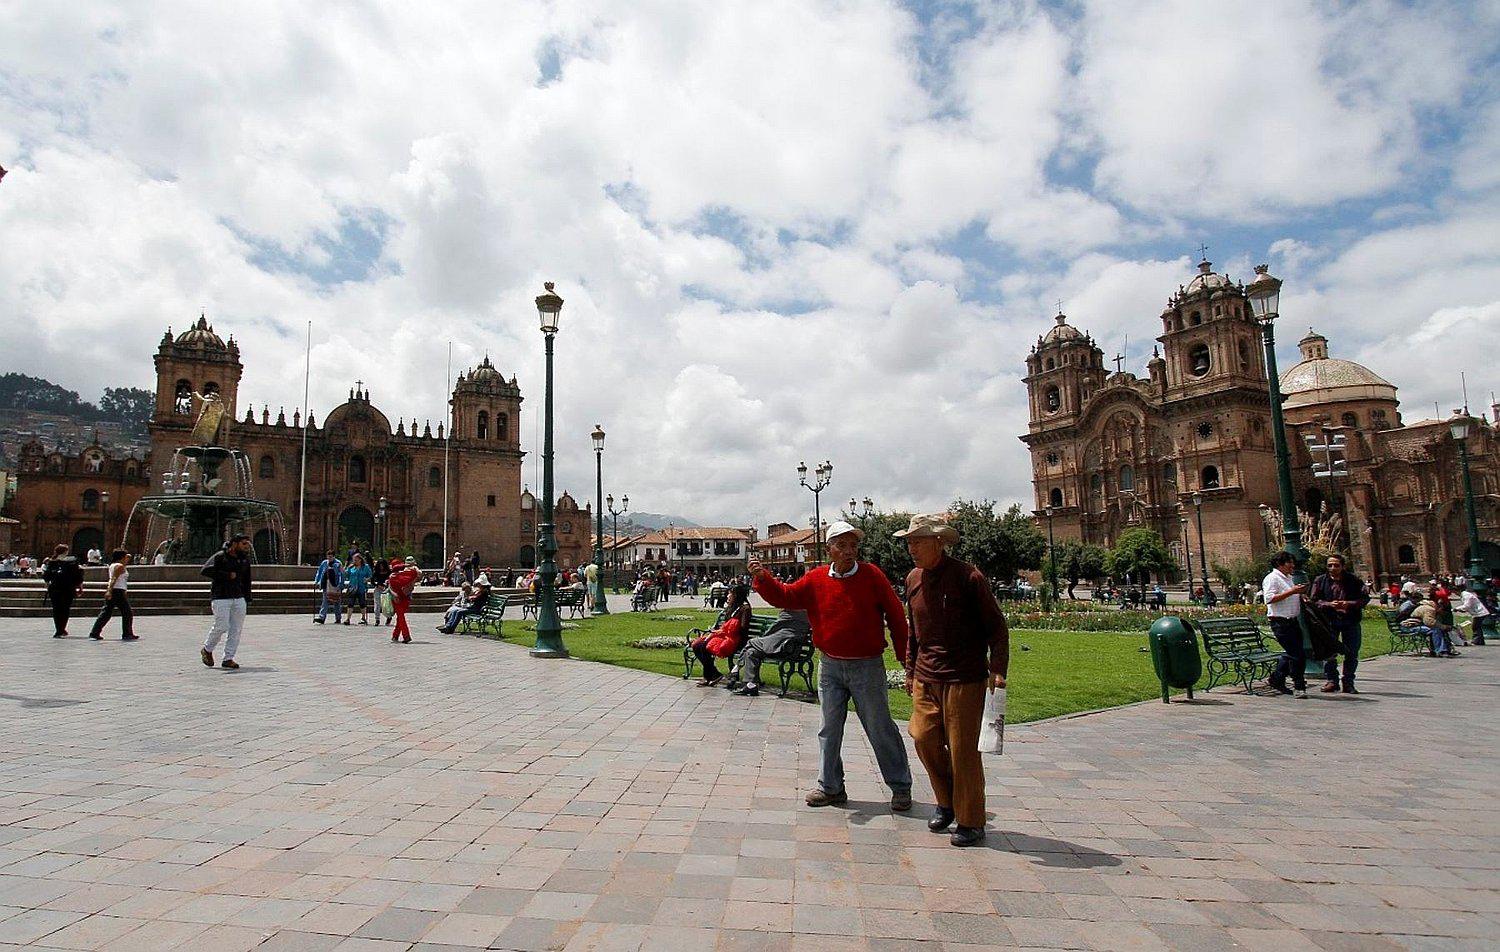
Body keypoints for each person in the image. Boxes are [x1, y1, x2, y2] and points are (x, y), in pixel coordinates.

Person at [750, 520, 912, 812]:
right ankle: (831, 787)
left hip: (867, 666)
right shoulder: (815, 579)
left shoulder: (872, 576)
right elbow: (786, 597)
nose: (849, 551)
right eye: (842, 545)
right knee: (828, 728)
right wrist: (763, 578)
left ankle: (900, 786)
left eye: (853, 545)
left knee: (879, 727)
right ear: (829, 550)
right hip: (830, 666)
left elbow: (897, 619)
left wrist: (906, 659)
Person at [898, 514, 1010, 848]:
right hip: (926, 676)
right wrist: (909, 670)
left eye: (918, 541)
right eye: (909, 542)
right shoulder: (913, 579)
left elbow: (997, 628)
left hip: (964, 677)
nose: (912, 548)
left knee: (963, 751)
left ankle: (971, 820)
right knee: (923, 738)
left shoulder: (968, 576)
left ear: (938, 542)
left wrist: (998, 669)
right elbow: (913, 633)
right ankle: (946, 801)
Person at [1309, 554, 1370, 694]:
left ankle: (1348, 682)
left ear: (1343, 566)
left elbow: (1364, 599)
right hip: (1329, 621)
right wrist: (1329, 604)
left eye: (1336, 565)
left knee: (1352, 652)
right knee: (1328, 652)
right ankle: (1332, 680)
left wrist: (1348, 604)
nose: (1332, 568)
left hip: (1350, 620)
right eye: (1330, 565)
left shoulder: (1354, 580)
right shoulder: (1320, 581)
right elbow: (1314, 600)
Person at [732, 609, 812, 697]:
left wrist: (765, 639)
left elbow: (772, 629)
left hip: (782, 649)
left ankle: (736, 668)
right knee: (751, 652)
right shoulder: (805, 613)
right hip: (792, 650)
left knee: (751, 642)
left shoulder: (789, 613)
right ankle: (751, 685)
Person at [200, 535, 252, 669]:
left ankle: (228, 658)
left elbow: (247, 580)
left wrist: (247, 597)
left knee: (236, 629)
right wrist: (226, 575)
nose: (246, 546)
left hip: (239, 597)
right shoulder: (220, 556)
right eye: (244, 544)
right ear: (234, 544)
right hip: (221, 597)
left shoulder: (244, 560)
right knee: (221, 625)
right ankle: (207, 649)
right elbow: (205, 570)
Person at [1262, 551, 1308, 698]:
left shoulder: (1288, 578)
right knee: (1296, 654)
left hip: (1292, 621)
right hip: (1280, 622)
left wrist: (1300, 594)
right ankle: (1299, 685)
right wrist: (1292, 591)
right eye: (1289, 563)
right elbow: (1269, 599)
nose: (1292, 566)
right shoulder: (1272, 578)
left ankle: (1277, 677)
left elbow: (1290, 594)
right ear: (1279, 564)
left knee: (1296, 652)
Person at [690, 583, 752, 686]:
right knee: (697, 645)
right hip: (725, 636)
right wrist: (717, 632)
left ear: (736, 595)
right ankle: (713, 674)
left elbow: (742, 628)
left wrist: (722, 631)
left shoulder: (745, 609)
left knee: (703, 646)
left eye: (730, 594)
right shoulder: (732, 607)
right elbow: (724, 626)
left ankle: (710, 676)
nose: (728, 596)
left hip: (737, 640)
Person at [87, 549, 138, 641]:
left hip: (117, 590)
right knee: (127, 613)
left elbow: (128, 557)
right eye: (125, 556)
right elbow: (114, 579)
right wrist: (109, 591)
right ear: (122, 557)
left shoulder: (113, 565)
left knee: (106, 613)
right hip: (117, 591)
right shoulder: (120, 566)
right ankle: (127, 634)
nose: (127, 558)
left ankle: (94, 632)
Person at [42, 543, 84, 638]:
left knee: (56, 610)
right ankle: (61, 629)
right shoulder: (72, 562)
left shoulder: (52, 562)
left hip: (55, 589)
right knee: (65, 609)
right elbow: (78, 577)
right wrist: (80, 588)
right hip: (68, 589)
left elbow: (46, 577)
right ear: (66, 552)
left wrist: (48, 586)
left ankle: (59, 630)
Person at [388, 557, 419, 643]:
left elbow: (390, 588)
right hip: (406, 599)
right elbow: (415, 574)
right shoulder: (409, 574)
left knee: (400, 617)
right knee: (400, 618)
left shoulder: (392, 577)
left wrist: (394, 595)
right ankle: (395, 635)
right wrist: (409, 565)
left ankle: (406, 636)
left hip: (396, 599)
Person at [314, 551, 343, 624]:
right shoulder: (324, 563)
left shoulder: (338, 563)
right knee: (325, 601)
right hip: (326, 584)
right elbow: (320, 572)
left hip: (335, 585)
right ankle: (322, 617)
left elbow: (341, 574)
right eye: (328, 556)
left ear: (334, 556)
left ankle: (338, 618)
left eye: (331, 557)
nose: (329, 558)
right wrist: (317, 581)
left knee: (336, 601)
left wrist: (340, 584)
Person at [344, 553, 373, 625]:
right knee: (350, 603)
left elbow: (370, 575)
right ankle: (348, 619)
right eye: (354, 560)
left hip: (361, 587)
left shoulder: (365, 567)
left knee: (362, 603)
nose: (355, 561)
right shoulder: (351, 567)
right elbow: (346, 574)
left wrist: (366, 579)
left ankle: (363, 618)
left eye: (356, 560)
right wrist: (346, 568)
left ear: (360, 560)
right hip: (352, 587)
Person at [371, 557, 392, 626]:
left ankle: (389, 617)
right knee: (377, 604)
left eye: (382, 565)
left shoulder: (389, 572)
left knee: (387, 605)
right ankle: (377, 619)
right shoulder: (376, 572)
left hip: (387, 589)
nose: (381, 567)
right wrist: (377, 585)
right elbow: (372, 581)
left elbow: (391, 579)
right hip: (378, 589)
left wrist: (387, 586)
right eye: (380, 565)